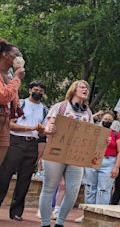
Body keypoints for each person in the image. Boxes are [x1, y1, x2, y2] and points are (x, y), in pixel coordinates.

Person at [38, 80, 93, 227]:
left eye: (87, 87)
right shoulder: (60, 107)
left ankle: (60, 222)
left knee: (73, 190)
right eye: (82, 86)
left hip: (76, 155)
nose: (85, 89)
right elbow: (47, 127)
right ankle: (44, 223)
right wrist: (50, 129)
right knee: (49, 187)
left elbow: (92, 133)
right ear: (74, 90)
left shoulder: (88, 112)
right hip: (56, 152)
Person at [0, 80, 46, 221]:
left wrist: (40, 152)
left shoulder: (44, 109)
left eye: (40, 90)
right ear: (29, 90)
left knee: (25, 180)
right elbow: (10, 124)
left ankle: (16, 212)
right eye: (35, 89)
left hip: (32, 145)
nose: (37, 92)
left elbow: (43, 133)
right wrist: (30, 128)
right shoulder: (20, 103)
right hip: (15, 142)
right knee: (4, 176)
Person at [0, 39, 26, 165]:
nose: (19, 58)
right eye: (16, 55)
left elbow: (12, 100)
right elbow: (4, 96)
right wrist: (17, 78)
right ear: (5, 54)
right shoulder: (14, 76)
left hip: (4, 121)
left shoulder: (10, 74)